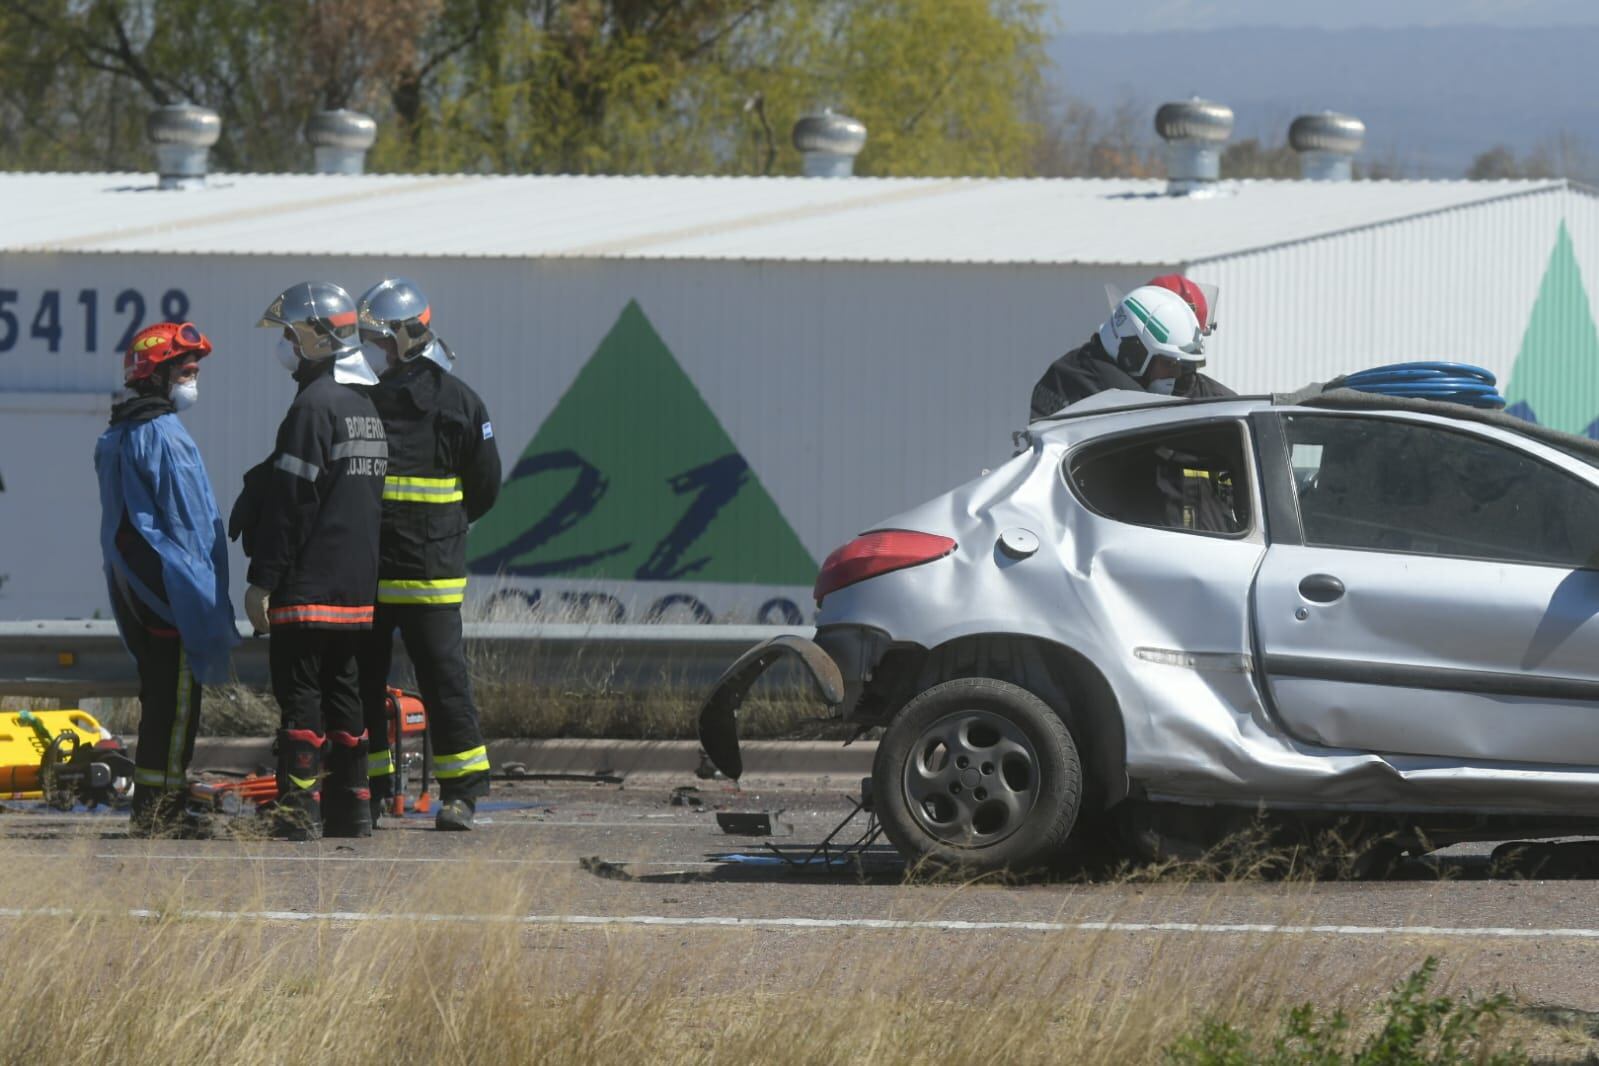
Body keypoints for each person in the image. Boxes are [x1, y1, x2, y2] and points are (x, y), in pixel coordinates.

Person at [234, 281, 387, 840]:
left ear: (317, 339)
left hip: (307, 587)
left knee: (300, 698)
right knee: (345, 695)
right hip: (354, 590)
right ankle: (353, 810)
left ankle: (297, 813)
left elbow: (292, 506)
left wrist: (262, 582)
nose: (286, 347)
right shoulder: (364, 407)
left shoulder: (312, 406)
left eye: (291, 336)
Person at [354, 277, 501, 831]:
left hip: (390, 575)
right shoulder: (450, 399)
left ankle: (376, 791)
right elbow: (483, 490)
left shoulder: (448, 402)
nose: (375, 352)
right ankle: (456, 796)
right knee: (442, 682)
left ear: (403, 336)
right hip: (414, 572)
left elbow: (485, 486)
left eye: (380, 341)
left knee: (373, 683)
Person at [95, 321, 238, 836]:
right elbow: (191, 526)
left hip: (139, 591)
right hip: (171, 596)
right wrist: (202, 601)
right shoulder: (163, 436)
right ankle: (162, 814)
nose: (192, 380)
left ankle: (153, 806)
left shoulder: (118, 433)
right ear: (157, 375)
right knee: (177, 707)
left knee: (159, 701)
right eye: (185, 370)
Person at [1028, 277, 1233, 421]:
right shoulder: (1093, 391)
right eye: (1170, 364)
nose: (1178, 375)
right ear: (1133, 355)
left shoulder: (1217, 399)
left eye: (1186, 366)